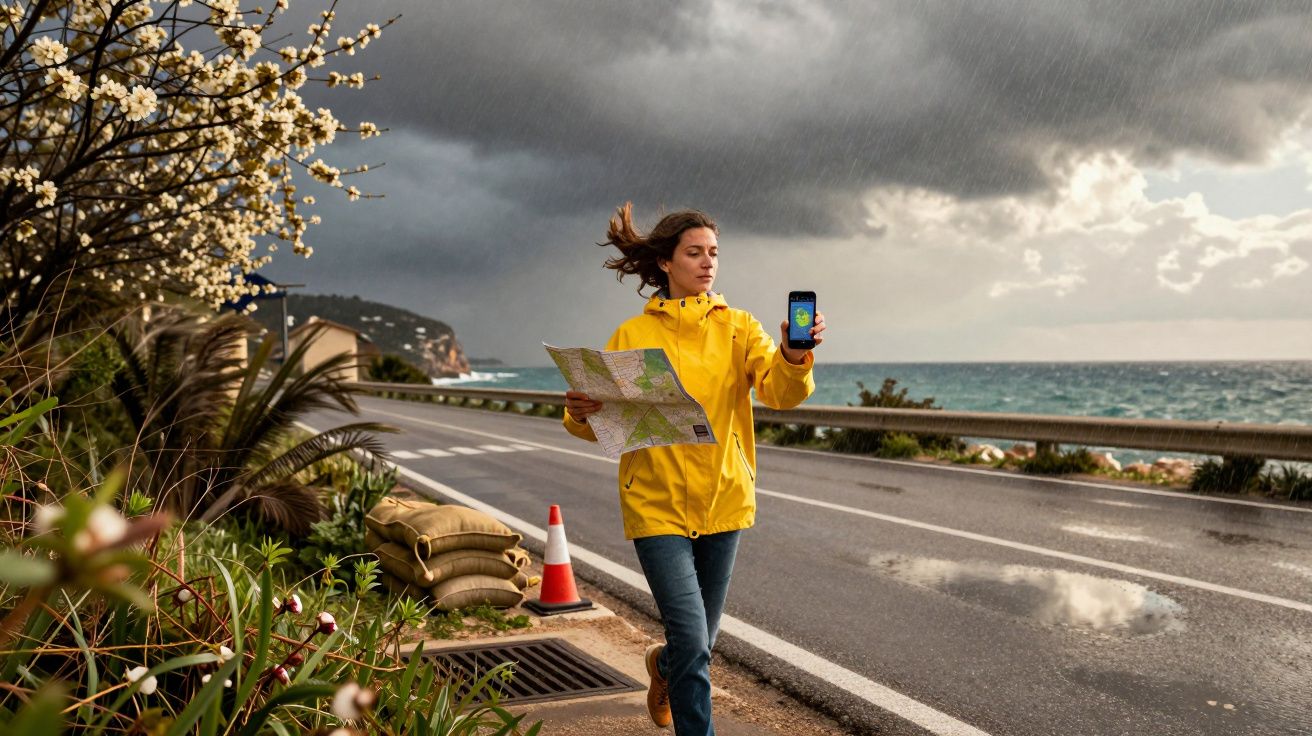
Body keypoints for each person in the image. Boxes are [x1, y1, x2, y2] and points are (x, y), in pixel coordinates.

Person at [561, 202, 826, 734]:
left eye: (713, 253)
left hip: (724, 499)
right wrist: (580, 411)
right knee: (691, 638)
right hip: (654, 505)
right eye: (694, 253)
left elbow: (779, 392)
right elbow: (599, 423)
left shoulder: (739, 328)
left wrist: (794, 358)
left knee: (696, 643)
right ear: (664, 262)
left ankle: (663, 668)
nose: (708, 263)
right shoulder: (630, 335)